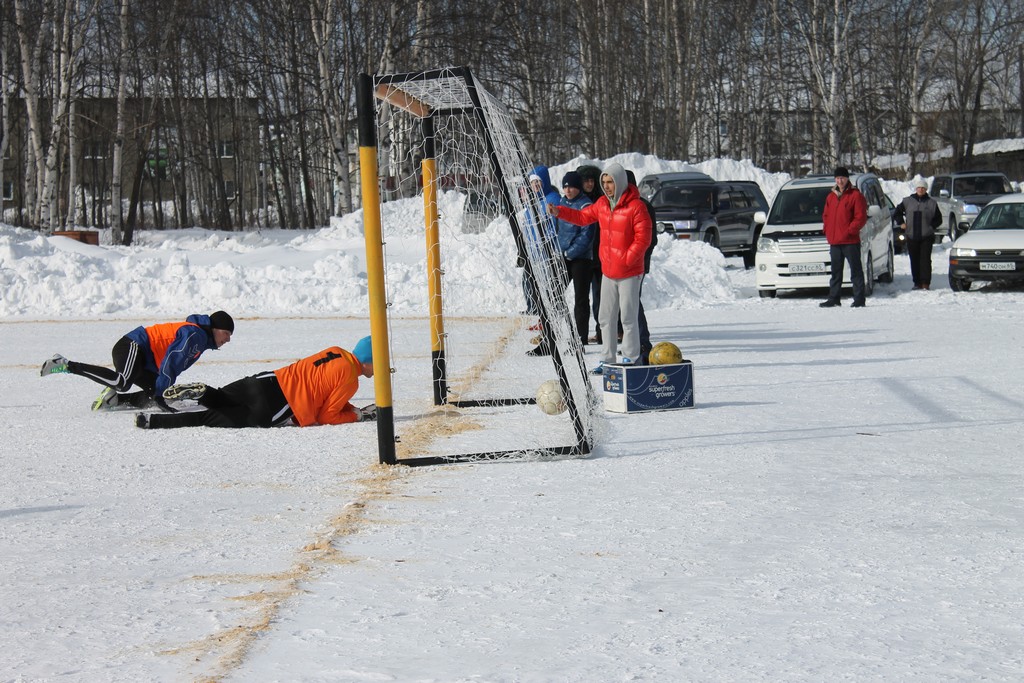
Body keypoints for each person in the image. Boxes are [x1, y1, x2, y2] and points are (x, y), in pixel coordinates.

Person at [137, 337, 376, 429]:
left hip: (269, 380)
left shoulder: (336, 351)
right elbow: (327, 416)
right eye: (378, 363)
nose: (379, 370)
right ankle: (152, 421)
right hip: (279, 405)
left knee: (221, 397)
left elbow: (325, 387)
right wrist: (357, 416)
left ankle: (202, 394)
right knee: (208, 418)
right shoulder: (350, 381)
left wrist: (350, 407)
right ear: (367, 361)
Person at [549, 162, 651, 374]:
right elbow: (582, 217)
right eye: (604, 182)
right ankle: (607, 358)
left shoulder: (636, 206)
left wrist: (626, 259)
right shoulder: (602, 204)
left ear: (620, 182)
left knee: (628, 317)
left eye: (610, 182)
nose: (607, 186)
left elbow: (643, 239)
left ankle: (632, 358)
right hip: (609, 271)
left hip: (629, 272)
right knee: (605, 317)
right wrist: (560, 212)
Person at [40, 311, 235, 411]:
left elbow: (170, 367)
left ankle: (114, 400)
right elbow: (171, 361)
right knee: (122, 382)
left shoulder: (200, 341)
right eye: (226, 333)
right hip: (134, 345)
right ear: (215, 328)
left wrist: (159, 391)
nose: (227, 339)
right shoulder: (196, 335)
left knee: (159, 396)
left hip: (144, 358)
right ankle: (65, 364)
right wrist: (160, 387)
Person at [556, 171, 596, 345]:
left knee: (581, 298)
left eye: (571, 186)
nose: (568, 190)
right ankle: (551, 334)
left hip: (581, 259)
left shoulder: (586, 205)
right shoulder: (562, 202)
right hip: (563, 255)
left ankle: (580, 338)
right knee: (554, 294)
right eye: (565, 186)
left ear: (578, 187)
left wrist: (571, 252)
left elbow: (587, 235)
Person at [820, 167, 868, 308]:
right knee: (835, 272)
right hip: (834, 241)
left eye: (842, 178)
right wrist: (827, 230)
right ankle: (834, 298)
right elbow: (826, 215)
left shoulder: (855, 195)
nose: (840, 181)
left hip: (850, 241)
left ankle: (859, 299)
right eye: (837, 178)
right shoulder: (831, 196)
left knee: (855, 271)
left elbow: (860, 217)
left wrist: (850, 230)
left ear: (847, 179)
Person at [626, 169, 658, 363]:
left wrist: (636, 258)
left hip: (637, 264)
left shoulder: (642, 205)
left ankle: (643, 343)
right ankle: (633, 342)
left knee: (632, 302)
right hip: (621, 264)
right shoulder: (619, 206)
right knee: (626, 304)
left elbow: (650, 239)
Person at [893, 178, 942, 290]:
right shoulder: (907, 201)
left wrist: (931, 226)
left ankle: (925, 283)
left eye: (923, 188)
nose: (921, 189)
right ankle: (917, 282)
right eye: (919, 187)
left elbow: (938, 219)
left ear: (926, 189)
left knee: (925, 260)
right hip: (912, 235)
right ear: (916, 189)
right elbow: (897, 213)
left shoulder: (932, 203)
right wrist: (901, 223)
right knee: (914, 259)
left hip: (926, 236)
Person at [577, 164, 604, 344]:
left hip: (601, 257)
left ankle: (602, 333)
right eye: (586, 180)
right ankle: (582, 336)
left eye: (592, 180)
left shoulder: (601, 201)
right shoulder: (577, 201)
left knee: (601, 299)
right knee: (582, 299)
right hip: (583, 256)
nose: (589, 184)